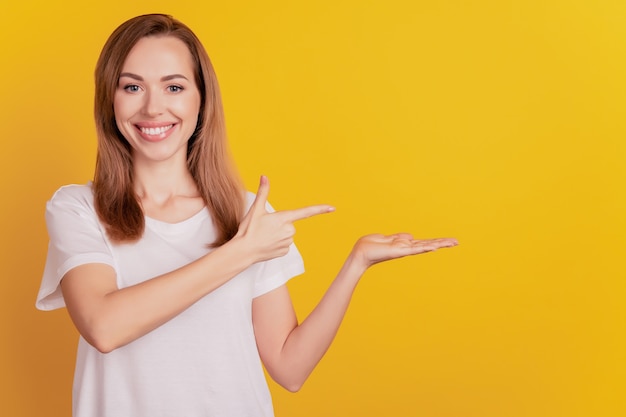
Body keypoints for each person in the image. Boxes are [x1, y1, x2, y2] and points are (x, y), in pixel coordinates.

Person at [36, 13, 458, 417]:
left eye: (174, 87)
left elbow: (289, 368)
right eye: (132, 87)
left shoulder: (245, 214)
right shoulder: (77, 208)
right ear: (108, 99)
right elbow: (104, 327)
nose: (152, 108)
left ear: (202, 99)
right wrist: (242, 252)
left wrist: (356, 264)